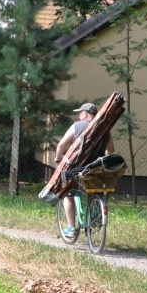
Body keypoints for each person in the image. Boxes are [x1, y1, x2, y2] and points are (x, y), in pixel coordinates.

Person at [53, 102, 115, 238]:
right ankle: (96, 214)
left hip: (77, 169)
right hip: (96, 169)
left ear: (86, 113)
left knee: (68, 195)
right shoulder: (105, 129)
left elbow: (61, 145)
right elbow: (110, 151)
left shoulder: (77, 126)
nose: (78, 116)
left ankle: (71, 228)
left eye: (80, 113)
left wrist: (58, 160)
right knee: (95, 192)